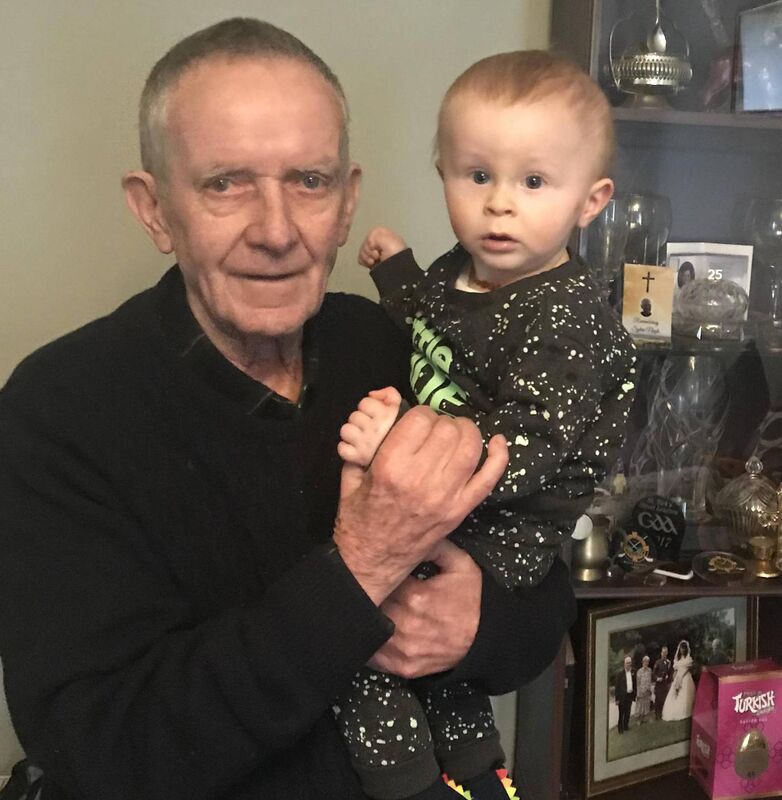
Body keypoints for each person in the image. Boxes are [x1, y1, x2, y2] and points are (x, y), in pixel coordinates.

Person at [0, 18, 579, 800]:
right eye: (225, 183)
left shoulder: (394, 345)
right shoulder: (57, 409)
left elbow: (540, 588)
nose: (275, 231)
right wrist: (363, 568)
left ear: (346, 205)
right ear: (154, 209)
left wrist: (480, 627)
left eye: (308, 182)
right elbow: (105, 751)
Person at [337, 49, 636, 799]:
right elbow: (433, 338)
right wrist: (398, 274)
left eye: (533, 182)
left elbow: (522, 446)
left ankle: (407, 782)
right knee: (428, 654)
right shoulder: (464, 272)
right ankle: (476, 768)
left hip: (511, 520)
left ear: (589, 200)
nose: (500, 204)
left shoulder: (565, 318)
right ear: (443, 173)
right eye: (477, 176)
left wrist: (399, 442)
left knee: (356, 640)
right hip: (461, 503)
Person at [662, 640, 696, 722]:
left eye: (683, 649)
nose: (682, 650)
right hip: (678, 677)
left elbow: (688, 668)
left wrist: (682, 675)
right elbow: (676, 670)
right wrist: (675, 678)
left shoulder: (688, 658)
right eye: (681, 649)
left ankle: (685, 711)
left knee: (685, 695)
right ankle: (675, 711)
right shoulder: (678, 659)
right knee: (675, 694)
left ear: (686, 649)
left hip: (686, 678)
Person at [614, 656, 636, 734]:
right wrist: (617, 699)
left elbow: (635, 684)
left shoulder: (633, 672)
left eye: (630, 663)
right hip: (622, 696)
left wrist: (634, 695)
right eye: (627, 663)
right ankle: (620, 729)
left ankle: (626, 726)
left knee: (628, 712)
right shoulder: (620, 673)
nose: (628, 664)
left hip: (629, 696)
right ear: (624, 664)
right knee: (621, 713)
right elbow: (617, 687)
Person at [652, 645, 673, 720]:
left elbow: (671, 673)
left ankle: (662, 714)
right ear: (661, 653)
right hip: (659, 684)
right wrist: (657, 678)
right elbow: (653, 674)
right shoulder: (658, 662)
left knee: (664, 699)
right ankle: (656, 715)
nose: (664, 654)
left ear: (667, 653)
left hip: (666, 684)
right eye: (663, 652)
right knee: (658, 700)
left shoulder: (669, 662)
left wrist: (669, 678)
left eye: (666, 652)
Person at [634, 655, 653, 724]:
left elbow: (650, 681)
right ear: (642, 662)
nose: (646, 663)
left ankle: (645, 718)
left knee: (646, 705)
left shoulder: (650, 670)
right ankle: (638, 720)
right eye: (645, 662)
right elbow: (638, 683)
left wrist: (650, 689)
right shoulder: (639, 671)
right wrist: (638, 692)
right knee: (640, 706)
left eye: (647, 662)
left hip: (647, 691)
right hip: (641, 691)